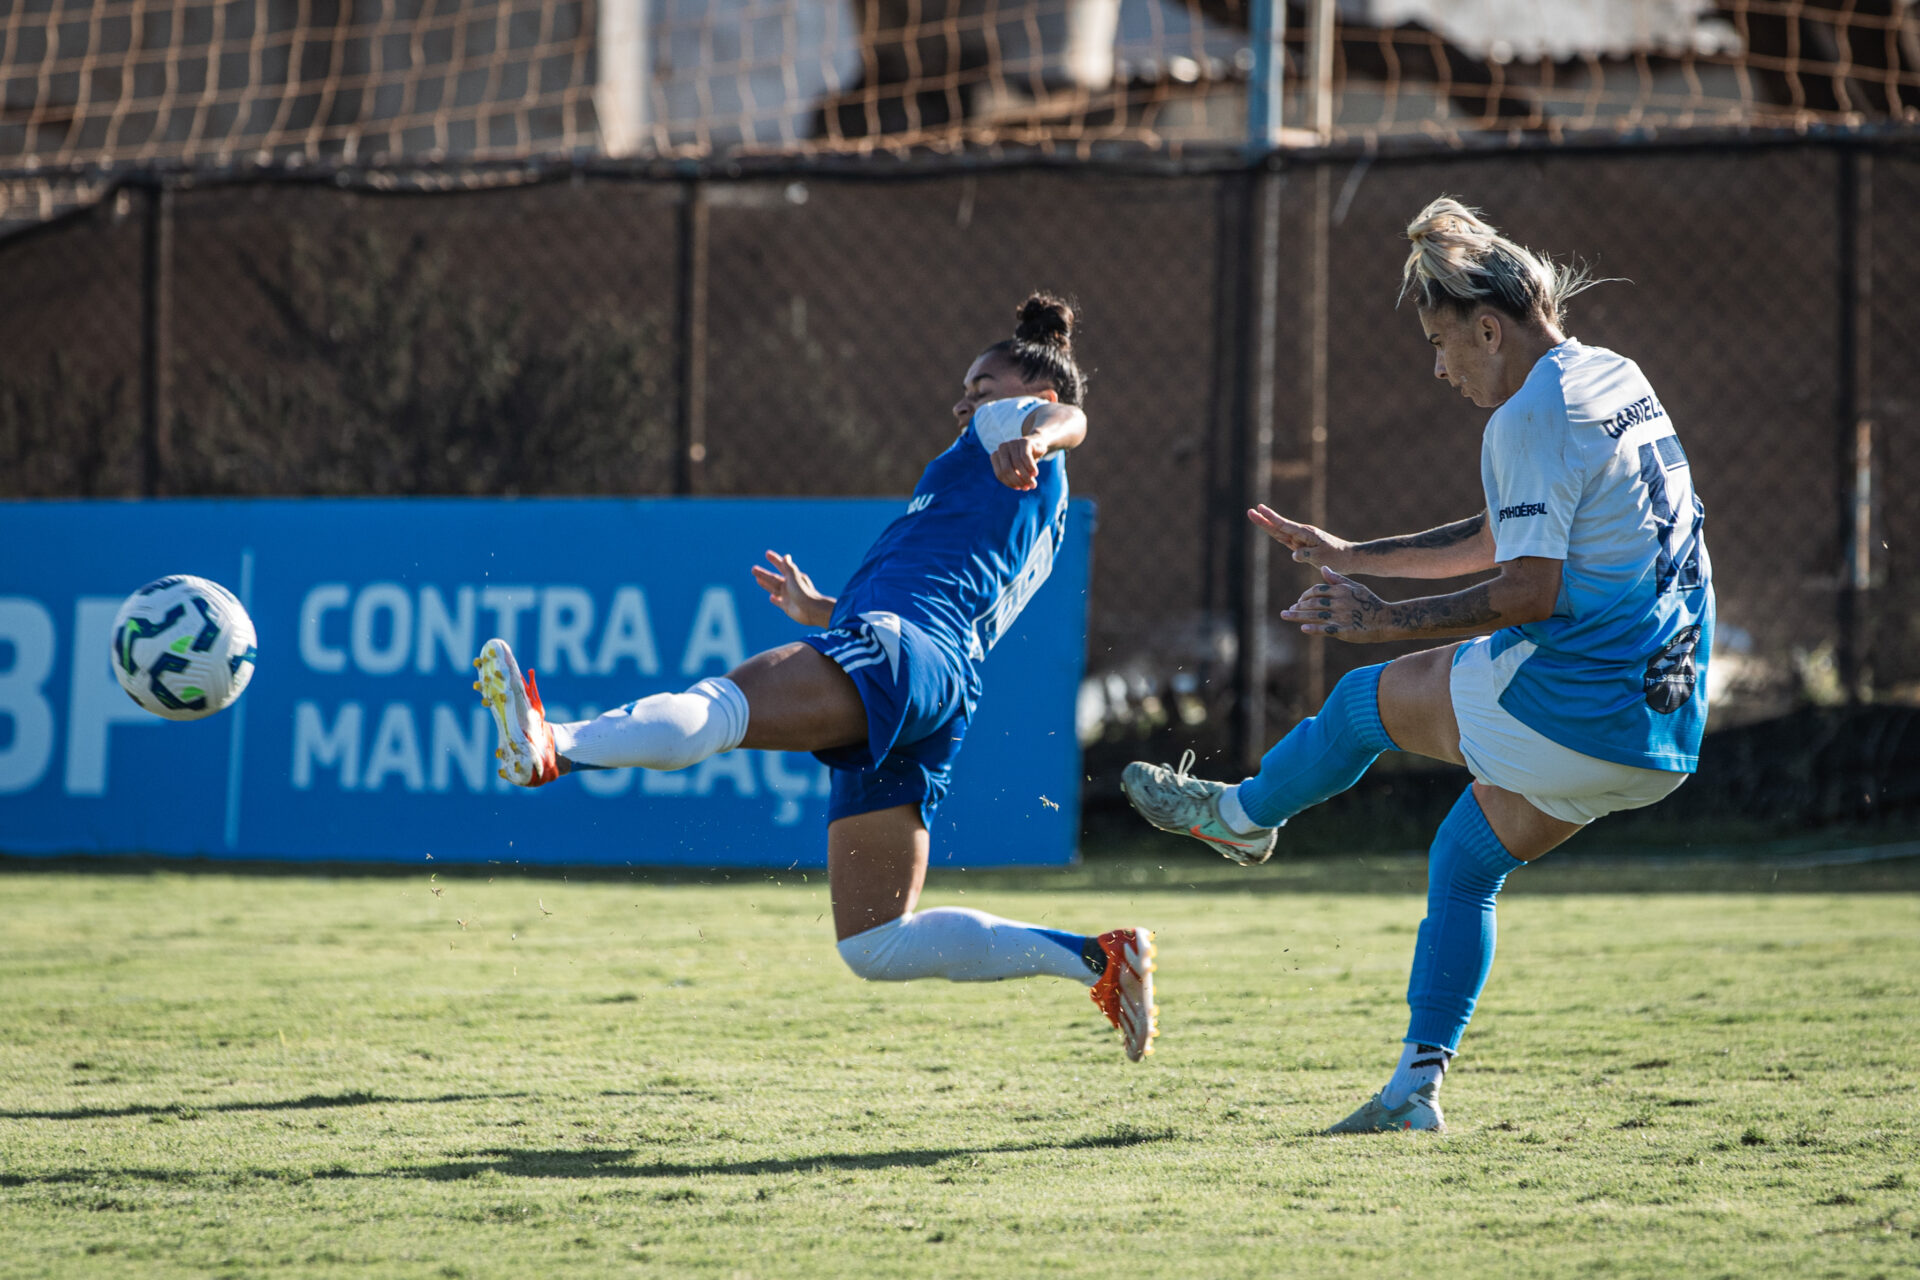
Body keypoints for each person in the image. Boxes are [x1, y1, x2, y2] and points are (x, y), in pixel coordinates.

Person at [1122, 198, 1712, 1129]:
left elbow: (1527, 591)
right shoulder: (1611, 375)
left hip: (1579, 701)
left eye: (1443, 345)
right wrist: (1355, 555)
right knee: (1467, 860)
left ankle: (1237, 819)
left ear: (1489, 327)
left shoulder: (1526, 416)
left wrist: (1381, 618)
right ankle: (1414, 1090)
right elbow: (1503, 537)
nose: (1440, 369)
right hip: (1662, 730)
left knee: (1362, 702)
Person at [473, 294, 1158, 1062]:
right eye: (967, 389)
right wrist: (825, 608)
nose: (966, 401)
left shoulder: (1013, 436)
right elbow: (950, 590)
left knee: (724, 706)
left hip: (905, 653)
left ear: (1035, 396)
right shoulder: (1043, 508)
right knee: (875, 943)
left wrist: (1032, 433)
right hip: (939, 685)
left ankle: (555, 744)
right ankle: (1098, 960)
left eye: (983, 386)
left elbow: (1072, 423)